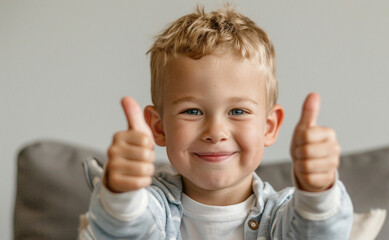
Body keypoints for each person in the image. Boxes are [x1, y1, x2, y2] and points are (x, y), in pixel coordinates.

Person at [79, 5, 353, 240]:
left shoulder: (280, 217)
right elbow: (127, 228)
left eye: (237, 111)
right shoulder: (154, 209)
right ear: (159, 128)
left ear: (268, 127)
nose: (215, 132)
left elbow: (316, 232)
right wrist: (122, 194)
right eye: (193, 112)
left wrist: (318, 192)